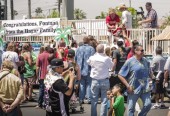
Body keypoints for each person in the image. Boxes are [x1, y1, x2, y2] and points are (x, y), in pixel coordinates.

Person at [118, 45, 152, 116]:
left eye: (143, 50)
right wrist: (127, 86)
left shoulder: (146, 61)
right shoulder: (129, 61)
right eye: (141, 50)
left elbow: (149, 71)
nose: (143, 52)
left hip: (145, 88)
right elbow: (120, 75)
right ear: (135, 51)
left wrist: (152, 77)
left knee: (148, 104)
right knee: (131, 108)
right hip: (133, 88)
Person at [87, 44, 114, 116]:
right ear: (103, 50)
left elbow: (88, 62)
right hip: (104, 80)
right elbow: (111, 66)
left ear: (96, 50)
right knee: (104, 100)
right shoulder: (106, 58)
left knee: (94, 100)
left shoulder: (92, 57)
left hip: (95, 80)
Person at [75, 36, 95, 104]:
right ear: (89, 41)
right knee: (89, 84)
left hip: (80, 69)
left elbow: (75, 59)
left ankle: (81, 99)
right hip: (88, 69)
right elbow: (93, 60)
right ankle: (89, 99)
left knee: (82, 84)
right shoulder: (91, 49)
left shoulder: (78, 49)